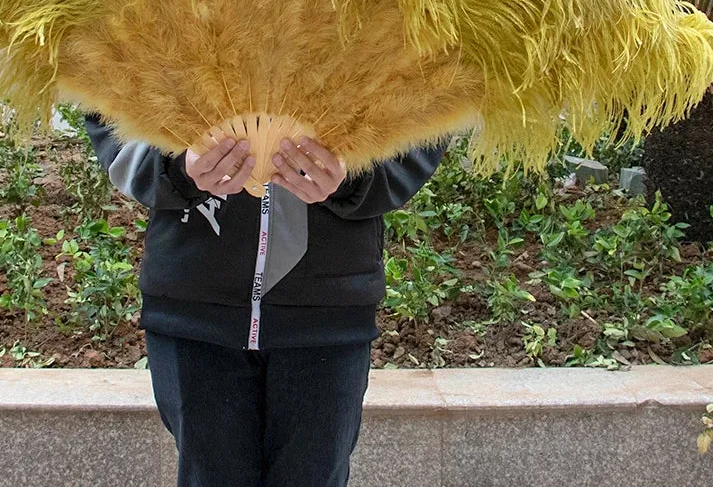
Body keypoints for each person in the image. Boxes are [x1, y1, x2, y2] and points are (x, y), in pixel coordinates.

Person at [85, 114, 446, 487]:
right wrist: (175, 167)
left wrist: (356, 173)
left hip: (326, 312)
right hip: (195, 307)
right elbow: (107, 84)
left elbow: (434, 94)